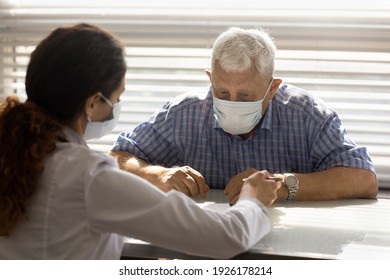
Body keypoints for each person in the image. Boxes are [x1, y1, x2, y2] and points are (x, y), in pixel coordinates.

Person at [0, 23, 280, 260]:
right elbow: (224, 237)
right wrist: (253, 199)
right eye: (118, 98)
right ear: (94, 103)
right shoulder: (88, 176)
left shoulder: (13, 151)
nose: (117, 107)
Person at [110, 27, 378, 204]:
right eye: (222, 92)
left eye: (246, 96)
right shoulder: (184, 112)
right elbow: (118, 157)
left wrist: (282, 184)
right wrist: (158, 175)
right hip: (206, 243)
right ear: (210, 79)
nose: (232, 103)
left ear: (273, 88)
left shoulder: (308, 115)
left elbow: (364, 179)